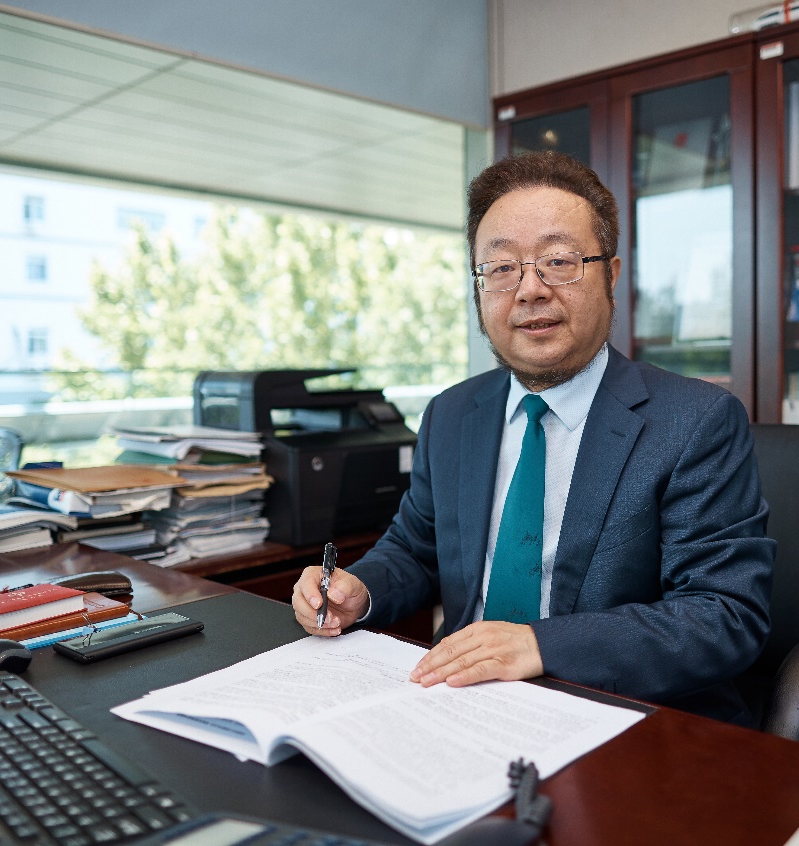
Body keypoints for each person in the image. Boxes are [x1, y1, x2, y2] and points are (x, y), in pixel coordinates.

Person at [293, 151, 774, 723]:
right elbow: (417, 551)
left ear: (611, 276)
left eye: (558, 261)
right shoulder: (451, 414)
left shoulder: (696, 420)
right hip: (461, 703)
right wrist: (360, 590)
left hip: (620, 716)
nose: (529, 290)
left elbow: (722, 615)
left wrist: (540, 646)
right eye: (501, 268)